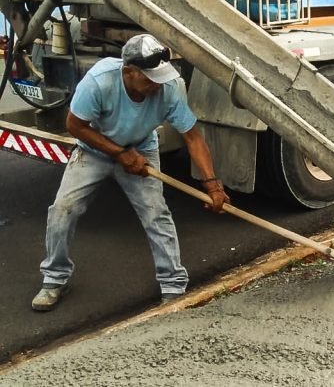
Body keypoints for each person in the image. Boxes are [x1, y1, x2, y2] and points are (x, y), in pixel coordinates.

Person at [32, 34, 230, 311]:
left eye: (161, 77)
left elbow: (193, 137)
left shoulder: (169, 87)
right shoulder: (99, 81)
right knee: (63, 209)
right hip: (94, 150)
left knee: (156, 213)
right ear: (129, 72)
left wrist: (212, 184)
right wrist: (119, 153)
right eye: (150, 79)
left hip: (141, 149)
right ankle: (55, 278)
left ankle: (173, 284)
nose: (157, 85)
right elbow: (75, 126)